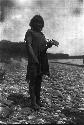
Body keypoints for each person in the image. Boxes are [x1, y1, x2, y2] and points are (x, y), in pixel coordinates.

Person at [24, 15, 59, 111]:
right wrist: (34, 58)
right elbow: (28, 45)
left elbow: (43, 50)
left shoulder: (42, 35)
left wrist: (49, 45)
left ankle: (38, 100)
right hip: (33, 61)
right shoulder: (29, 32)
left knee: (39, 81)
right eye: (37, 22)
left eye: (41, 23)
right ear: (33, 23)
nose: (39, 24)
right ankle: (33, 102)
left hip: (42, 61)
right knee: (33, 82)